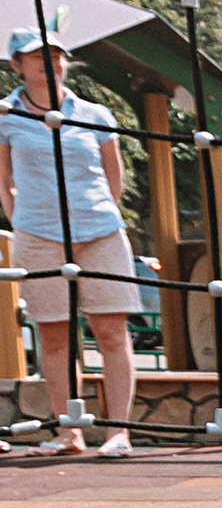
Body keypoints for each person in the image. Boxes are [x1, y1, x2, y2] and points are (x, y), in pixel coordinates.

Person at [0, 27, 140, 457]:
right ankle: (69, 432)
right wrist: (21, 219)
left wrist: (98, 214)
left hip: (99, 231)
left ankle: (119, 431)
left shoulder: (94, 113)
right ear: (17, 65)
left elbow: (113, 175)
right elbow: (3, 179)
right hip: (38, 235)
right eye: (37, 55)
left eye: (57, 54)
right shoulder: (5, 116)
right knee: (55, 336)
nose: (50, 62)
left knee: (111, 332)